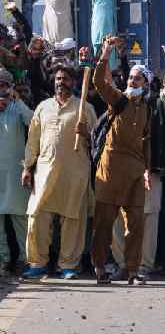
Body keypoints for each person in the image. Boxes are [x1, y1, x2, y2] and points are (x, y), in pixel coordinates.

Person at [89, 38, 162, 285]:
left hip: (135, 172)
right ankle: (100, 268)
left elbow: (146, 141)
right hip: (110, 169)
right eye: (130, 78)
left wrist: (146, 171)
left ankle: (132, 271)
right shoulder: (118, 99)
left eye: (137, 78)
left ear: (147, 83)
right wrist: (105, 54)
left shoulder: (147, 109)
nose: (132, 81)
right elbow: (99, 82)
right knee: (104, 222)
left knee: (136, 223)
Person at [21, 65, 98, 279]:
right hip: (45, 172)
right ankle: (38, 263)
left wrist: (87, 134)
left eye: (64, 79)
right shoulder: (43, 107)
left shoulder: (85, 108)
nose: (60, 82)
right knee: (36, 217)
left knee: (73, 221)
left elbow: (99, 143)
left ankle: (68, 265)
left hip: (75, 174)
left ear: (73, 83)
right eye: (57, 79)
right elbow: (32, 141)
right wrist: (28, 167)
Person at [0, 79, 34, 278]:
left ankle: (25, 259)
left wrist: (18, 100)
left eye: (4, 86)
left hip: (15, 174)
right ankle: (3, 260)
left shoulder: (16, 107)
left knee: (20, 217)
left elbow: (32, 121)